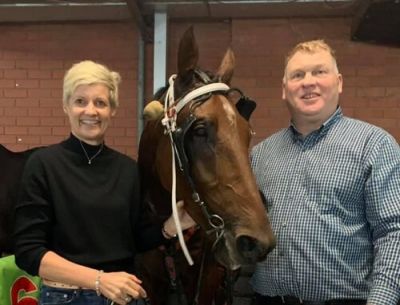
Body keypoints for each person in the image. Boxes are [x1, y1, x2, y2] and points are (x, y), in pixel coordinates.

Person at [13, 60, 195, 305]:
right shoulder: (43, 165)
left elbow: (134, 240)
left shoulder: (128, 169)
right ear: (66, 106)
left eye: (100, 103)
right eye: (80, 101)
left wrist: (171, 227)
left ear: (113, 110)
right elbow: (28, 252)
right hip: (66, 298)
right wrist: (99, 280)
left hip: (123, 297)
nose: (91, 111)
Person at [250, 40, 400, 305]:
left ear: (339, 82)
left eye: (319, 72)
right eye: (298, 75)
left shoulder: (373, 145)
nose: (308, 82)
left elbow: (393, 232)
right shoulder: (260, 155)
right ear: (285, 90)